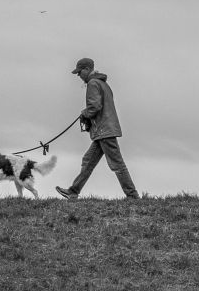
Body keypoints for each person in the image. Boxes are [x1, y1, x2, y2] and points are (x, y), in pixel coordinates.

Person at [56, 57, 140, 199]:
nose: (78, 75)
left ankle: (132, 196)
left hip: (104, 130)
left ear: (88, 69)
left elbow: (94, 107)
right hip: (103, 130)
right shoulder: (103, 84)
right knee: (88, 160)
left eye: (80, 71)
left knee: (117, 164)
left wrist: (84, 113)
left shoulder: (93, 83)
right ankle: (73, 191)